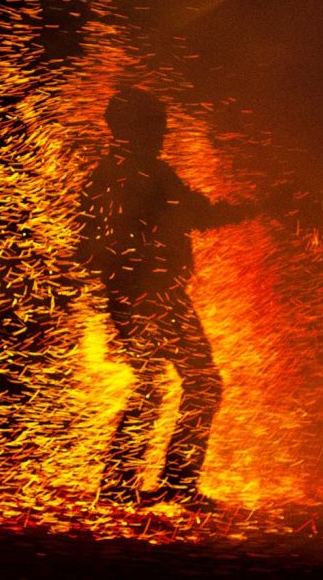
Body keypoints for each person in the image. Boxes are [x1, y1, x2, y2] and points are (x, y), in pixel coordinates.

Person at [76, 87, 264, 511]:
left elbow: (86, 248)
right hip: (155, 295)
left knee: (151, 383)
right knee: (202, 382)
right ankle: (174, 484)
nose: (162, 135)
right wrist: (260, 207)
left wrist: (118, 284)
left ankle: (120, 485)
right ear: (135, 127)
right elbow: (200, 214)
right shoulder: (148, 173)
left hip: (131, 295)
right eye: (156, 126)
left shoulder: (104, 174)